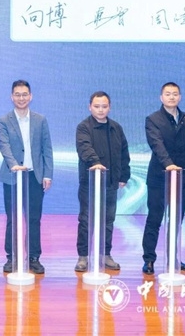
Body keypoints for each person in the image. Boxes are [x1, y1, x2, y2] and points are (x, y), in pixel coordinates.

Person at [141, 82, 185, 275]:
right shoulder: (153, 119)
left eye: (175, 94)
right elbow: (156, 145)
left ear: (180, 97)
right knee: (155, 219)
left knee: (176, 221)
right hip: (159, 178)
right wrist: (168, 164)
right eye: (168, 94)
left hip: (182, 178)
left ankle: (173, 257)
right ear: (161, 97)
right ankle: (149, 259)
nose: (172, 97)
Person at [0, 80, 54, 274]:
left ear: (31, 96)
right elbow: (4, 146)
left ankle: (33, 258)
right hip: (12, 177)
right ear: (11, 97)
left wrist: (47, 174)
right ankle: (11, 257)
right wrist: (14, 165)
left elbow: (47, 149)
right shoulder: (3, 120)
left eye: (24, 94)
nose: (21, 98)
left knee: (34, 219)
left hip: (34, 177)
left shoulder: (40, 120)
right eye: (17, 94)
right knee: (12, 218)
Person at [74, 91, 131, 272]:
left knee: (108, 220)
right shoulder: (83, 127)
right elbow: (84, 148)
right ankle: (83, 256)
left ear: (109, 108)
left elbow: (124, 153)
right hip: (89, 183)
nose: (100, 110)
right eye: (97, 106)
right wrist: (96, 163)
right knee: (86, 219)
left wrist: (124, 175)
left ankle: (105, 254)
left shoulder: (116, 128)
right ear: (90, 107)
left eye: (104, 106)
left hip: (110, 183)